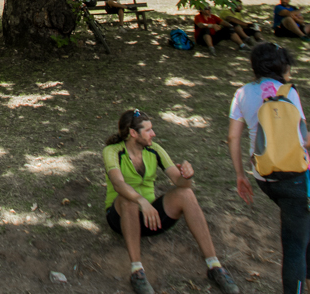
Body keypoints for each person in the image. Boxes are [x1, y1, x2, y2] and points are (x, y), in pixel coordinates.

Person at [228, 42, 310, 294]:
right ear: (281, 65)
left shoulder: (241, 93)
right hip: (294, 178)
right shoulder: (288, 92)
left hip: (263, 176)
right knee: (295, 245)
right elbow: (304, 141)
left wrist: (240, 175)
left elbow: (233, 137)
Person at [102, 109, 240, 294]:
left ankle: (214, 266)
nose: (153, 133)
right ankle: (137, 271)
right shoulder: (112, 151)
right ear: (133, 133)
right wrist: (141, 201)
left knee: (186, 194)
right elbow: (118, 184)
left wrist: (187, 176)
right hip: (120, 216)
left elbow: (180, 183)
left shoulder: (155, 149)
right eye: (148, 130)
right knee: (129, 201)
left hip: (150, 218)